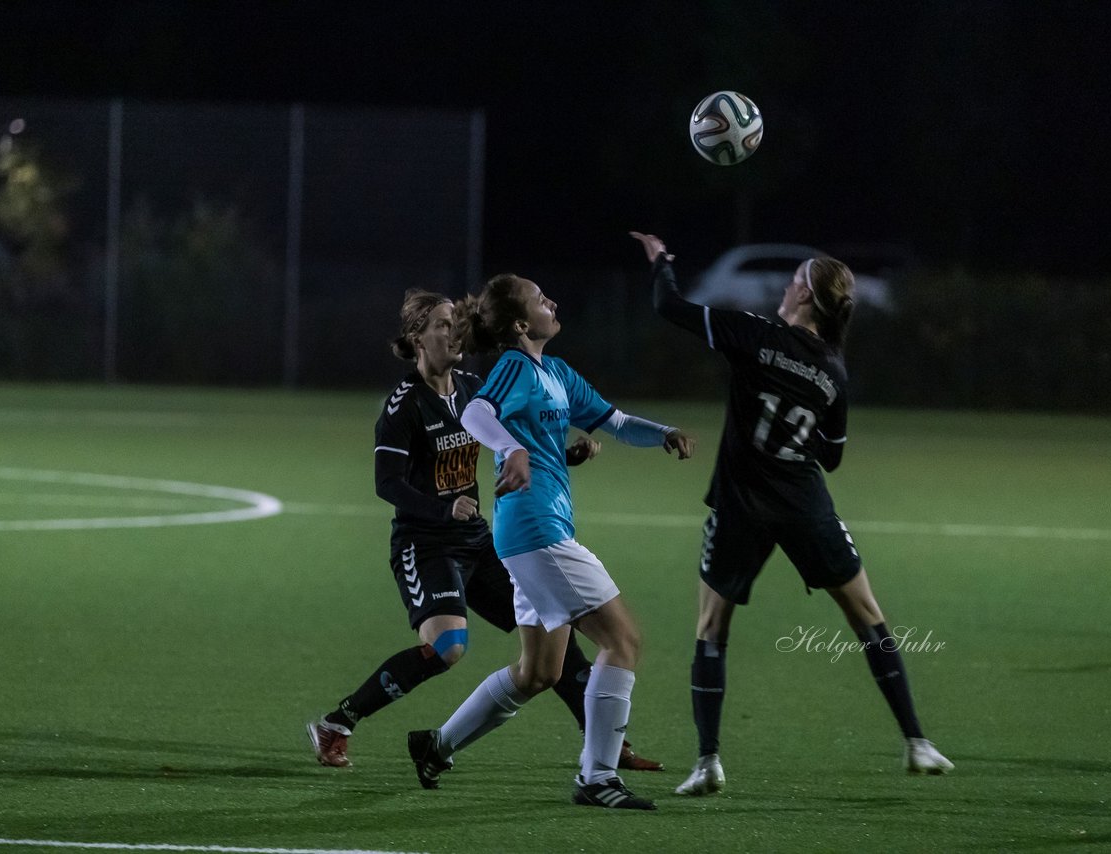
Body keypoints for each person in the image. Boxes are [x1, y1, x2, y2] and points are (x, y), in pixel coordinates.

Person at [627, 231, 953, 797]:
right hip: (804, 503)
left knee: (711, 628)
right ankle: (917, 742)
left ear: (805, 296)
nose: (787, 282)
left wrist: (662, 263)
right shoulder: (833, 369)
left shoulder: (754, 335)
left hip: (741, 503)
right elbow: (833, 454)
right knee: (868, 616)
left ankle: (707, 762)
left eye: (795, 277)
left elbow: (667, 307)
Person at [307, 288, 664, 773]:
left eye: (456, 322)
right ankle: (339, 721)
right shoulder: (403, 405)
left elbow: (515, 447)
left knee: (554, 626)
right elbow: (386, 483)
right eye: (440, 324)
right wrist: (441, 510)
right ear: (417, 337)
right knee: (449, 647)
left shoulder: (476, 388)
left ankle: (607, 748)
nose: (454, 332)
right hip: (425, 543)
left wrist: (564, 456)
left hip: (478, 539)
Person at [405, 274, 696, 811]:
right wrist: (512, 449)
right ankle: (598, 777)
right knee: (623, 641)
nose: (553, 301)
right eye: (542, 299)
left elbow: (615, 421)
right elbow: (475, 414)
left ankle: (436, 745)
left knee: (539, 672)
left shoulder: (557, 373)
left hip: (538, 532)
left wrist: (662, 433)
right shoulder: (515, 366)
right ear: (520, 324)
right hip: (536, 530)